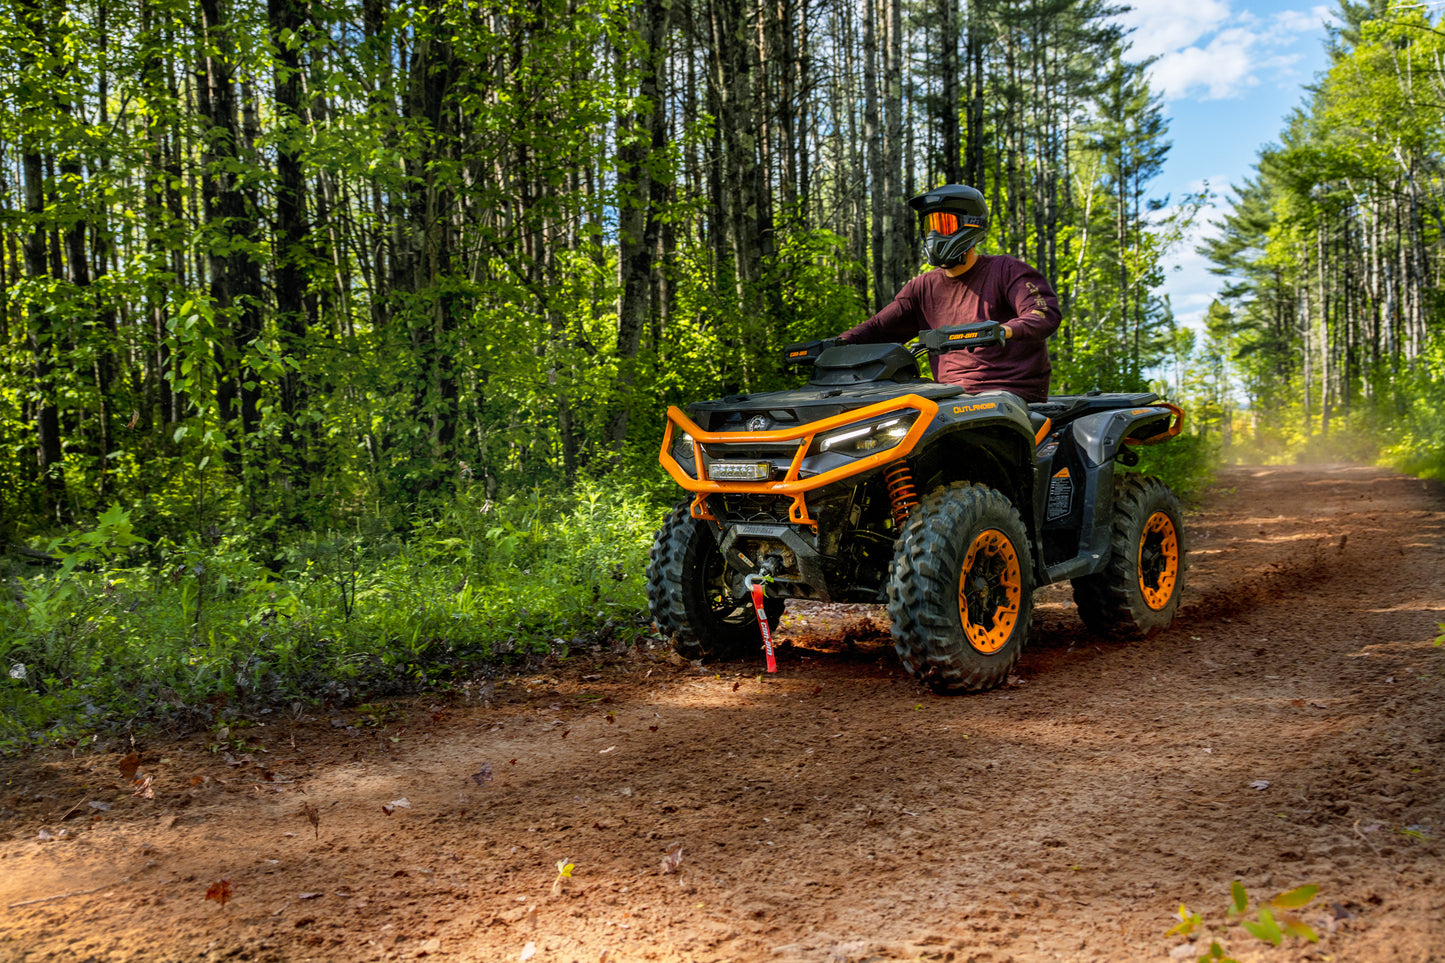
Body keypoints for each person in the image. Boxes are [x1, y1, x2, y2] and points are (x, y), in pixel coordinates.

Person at [839, 185, 1061, 403]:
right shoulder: (923, 287)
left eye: (944, 224)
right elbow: (877, 328)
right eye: (929, 226)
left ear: (971, 224)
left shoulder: (1007, 270)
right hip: (950, 398)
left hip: (1009, 395)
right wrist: (835, 345)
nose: (934, 235)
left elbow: (1043, 313)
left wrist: (1003, 330)